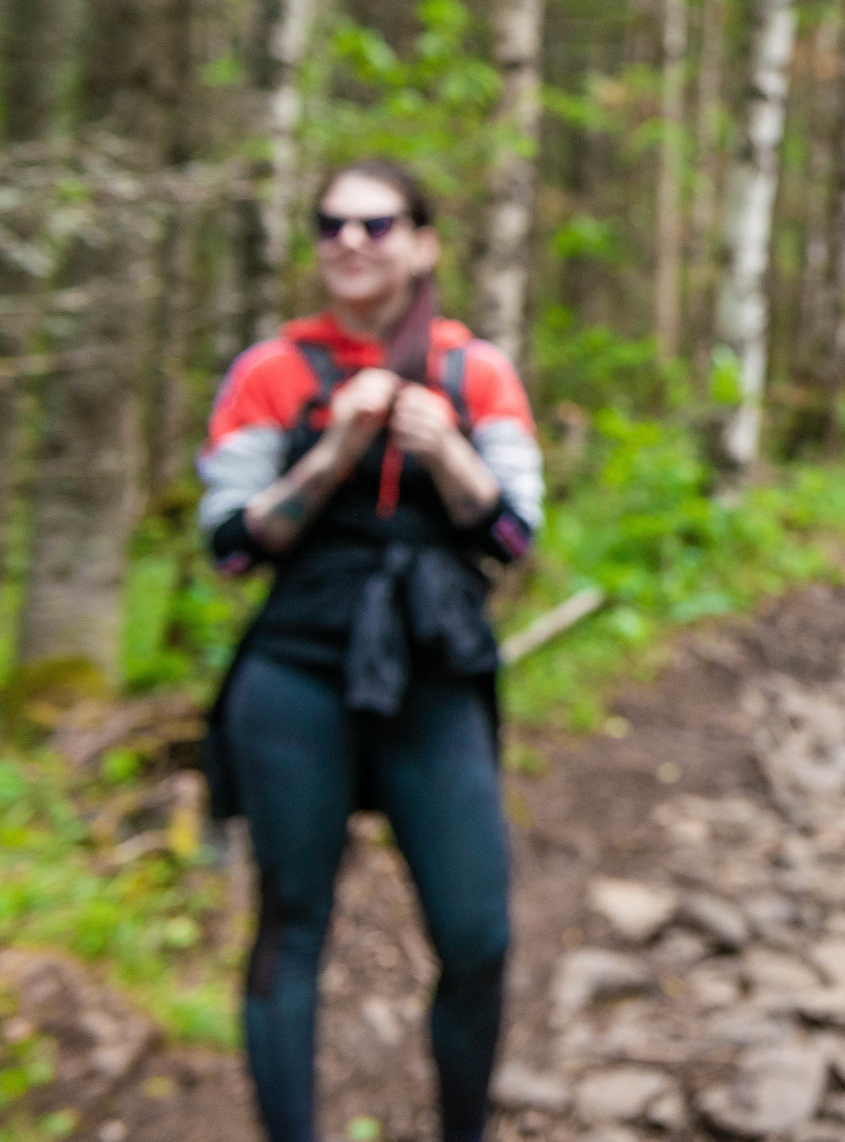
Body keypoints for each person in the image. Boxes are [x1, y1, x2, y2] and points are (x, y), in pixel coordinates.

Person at [196, 161, 543, 1142]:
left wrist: (447, 452)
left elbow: (514, 535)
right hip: (297, 668)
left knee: (478, 935)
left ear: (422, 242)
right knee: (289, 919)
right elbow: (228, 543)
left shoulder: (478, 371)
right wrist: (329, 455)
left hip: (434, 670)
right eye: (330, 224)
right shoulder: (270, 371)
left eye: (375, 223)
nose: (350, 241)